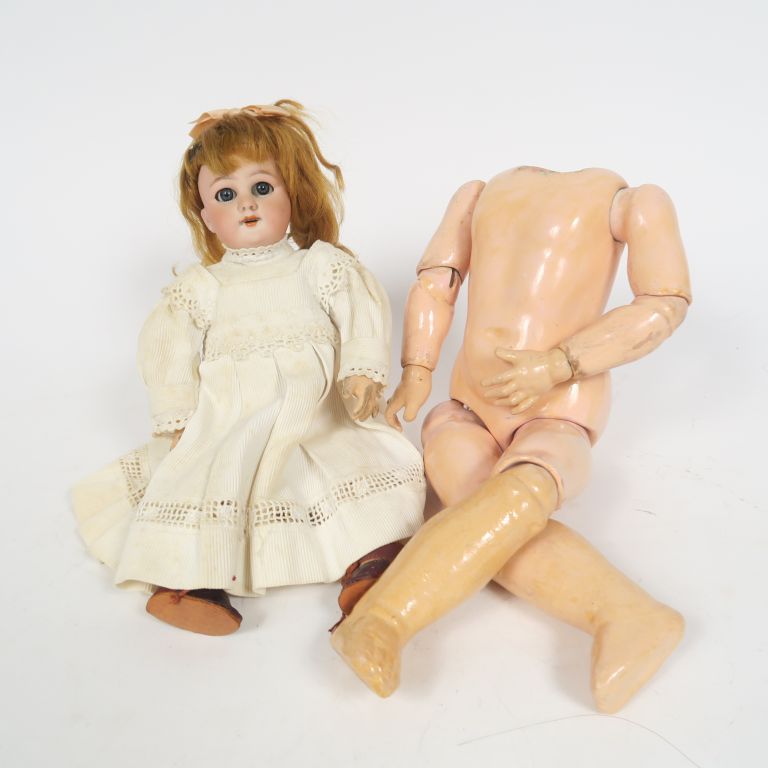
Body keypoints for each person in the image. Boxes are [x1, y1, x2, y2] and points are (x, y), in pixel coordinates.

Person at [331, 166, 691, 713]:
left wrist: (561, 363)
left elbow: (664, 302)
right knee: (487, 510)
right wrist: (418, 368)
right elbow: (436, 282)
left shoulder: (630, 202)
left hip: (559, 409)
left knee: (516, 497)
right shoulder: (477, 194)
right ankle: (629, 614)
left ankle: (383, 619)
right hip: (468, 404)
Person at [72, 101, 425, 636]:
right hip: (232, 418)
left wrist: (361, 371)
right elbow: (168, 350)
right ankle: (193, 582)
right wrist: (176, 413)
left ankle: (371, 562)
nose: (246, 204)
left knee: (347, 466)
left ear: (291, 195)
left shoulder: (320, 266)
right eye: (225, 194)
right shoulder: (201, 289)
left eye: (262, 187)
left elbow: (362, 313)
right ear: (206, 216)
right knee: (212, 478)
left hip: (318, 412)